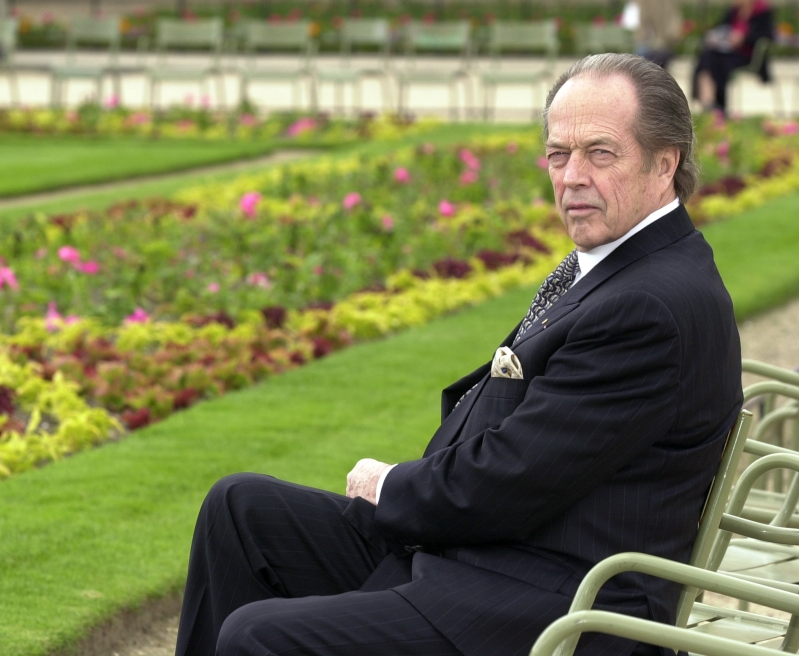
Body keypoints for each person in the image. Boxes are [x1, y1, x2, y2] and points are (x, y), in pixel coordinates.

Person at [176, 53, 742, 656]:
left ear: (665, 162)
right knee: (238, 509)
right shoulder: (626, 265)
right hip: (491, 556)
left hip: (546, 606)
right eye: (558, 154)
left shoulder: (650, 305)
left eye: (600, 153)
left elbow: (511, 480)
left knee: (255, 637)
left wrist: (392, 486)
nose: (571, 175)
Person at [693, 0, 775, 112]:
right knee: (708, 55)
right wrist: (716, 37)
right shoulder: (734, 11)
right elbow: (721, 28)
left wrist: (743, 38)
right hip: (728, 52)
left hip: (748, 55)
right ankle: (709, 102)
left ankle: (712, 103)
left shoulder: (762, 11)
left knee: (715, 61)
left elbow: (767, 36)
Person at [621, 0, 683, 69]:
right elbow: (675, 30)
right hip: (666, 49)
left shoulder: (638, 5)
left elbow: (630, 25)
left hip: (646, 50)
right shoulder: (668, 5)